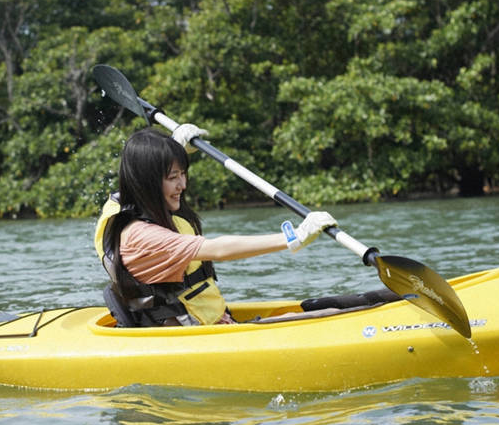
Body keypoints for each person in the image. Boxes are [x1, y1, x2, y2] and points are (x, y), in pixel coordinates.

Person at [93, 125, 338, 327]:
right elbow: (218, 249)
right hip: (194, 336)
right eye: (172, 177)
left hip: (210, 324)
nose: (183, 184)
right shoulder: (142, 236)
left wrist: (175, 145)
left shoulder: (123, 207)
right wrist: (294, 237)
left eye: (182, 174)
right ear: (147, 183)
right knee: (311, 319)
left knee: (328, 308)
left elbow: (133, 181)